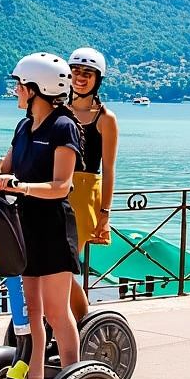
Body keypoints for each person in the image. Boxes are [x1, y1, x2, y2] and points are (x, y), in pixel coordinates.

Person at [0, 52, 82, 379]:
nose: (16, 91)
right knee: (30, 316)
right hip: (23, 226)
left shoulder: (63, 127)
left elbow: (61, 186)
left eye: (19, 86)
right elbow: (5, 166)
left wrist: (20, 186)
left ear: (36, 88)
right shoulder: (25, 126)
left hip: (53, 228)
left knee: (57, 313)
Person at [66, 46, 120, 321]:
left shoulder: (106, 119)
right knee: (51, 267)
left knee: (63, 268)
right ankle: (66, 321)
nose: (80, 78)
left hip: (85, 195)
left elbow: (108, 169)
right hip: (54, 190)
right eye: (75, 71)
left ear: (97, 78)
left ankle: (82, 322)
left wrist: (105, 213)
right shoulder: (58, 110)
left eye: (87, 73)